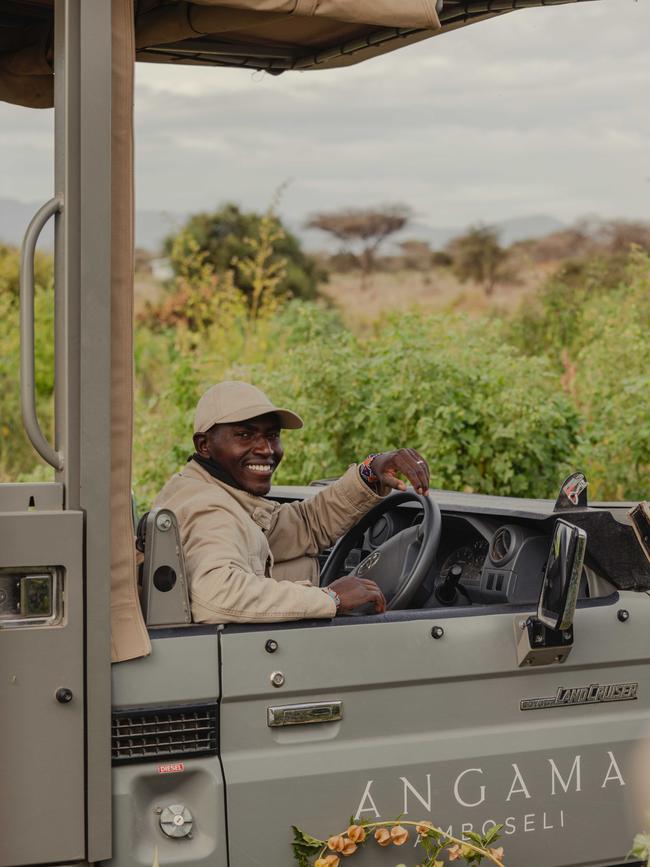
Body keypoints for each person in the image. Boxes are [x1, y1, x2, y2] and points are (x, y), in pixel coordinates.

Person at [154, 381, 430, 623]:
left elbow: (305, 525)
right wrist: (330, 599)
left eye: (272, 435)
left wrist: (370, 471)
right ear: (204, 445)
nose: (266, 449)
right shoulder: (208, 507)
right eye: (245, 435)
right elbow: (217, 594)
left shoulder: (221, 492)